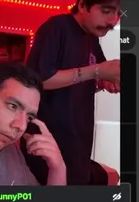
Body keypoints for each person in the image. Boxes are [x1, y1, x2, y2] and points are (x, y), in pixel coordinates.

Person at [25, 0, 122, 185]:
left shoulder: (92, 38)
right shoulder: (57, 27)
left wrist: (106, 82)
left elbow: (92, 78)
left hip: (80, 141)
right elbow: (39, 80)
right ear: (83, 6)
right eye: (106, 11)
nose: (113, 21)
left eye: (119, 14)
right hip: (49, 141)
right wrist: (97, 71)